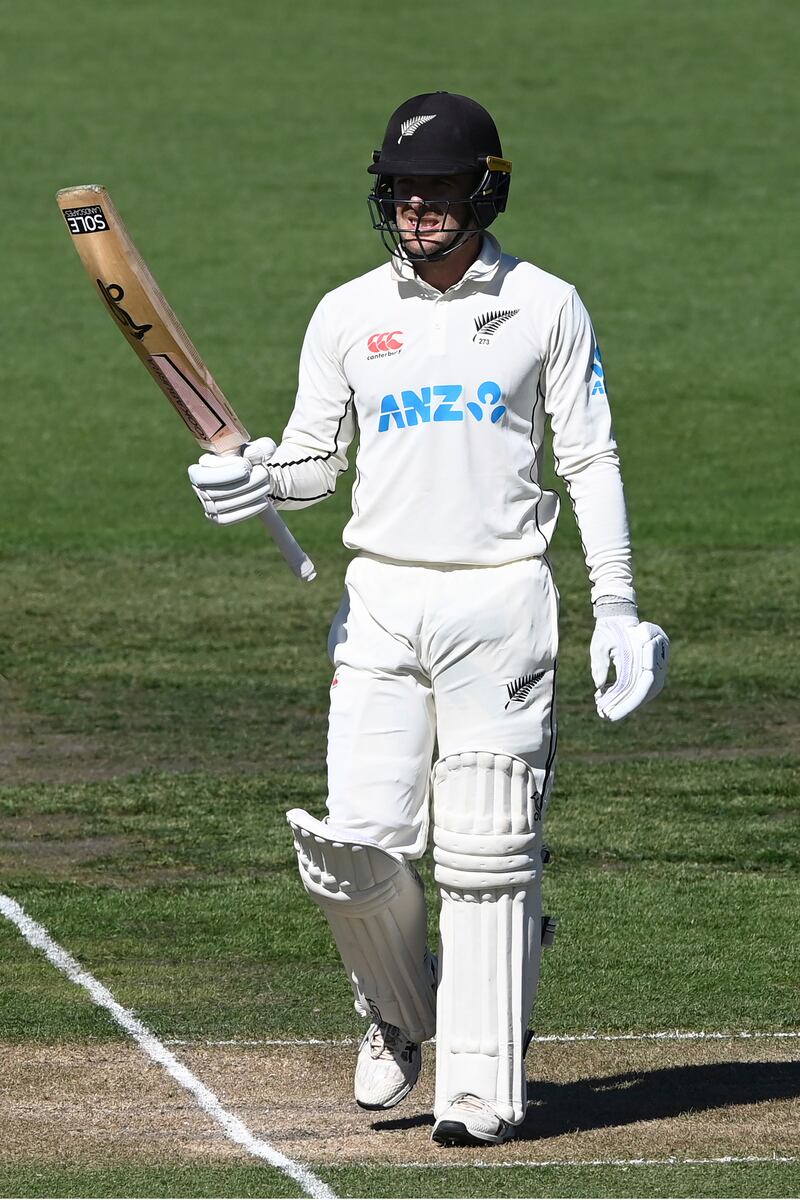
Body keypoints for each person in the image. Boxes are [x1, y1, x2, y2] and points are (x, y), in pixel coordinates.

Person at [187, 91, 669, 1147]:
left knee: (487, 851)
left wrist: (619, 608)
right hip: (381, 598)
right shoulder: (347, 314)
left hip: (499, 596)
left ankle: (479, 1088)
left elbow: (587, 458)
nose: (417, 211)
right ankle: (400, 1015)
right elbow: (317, 464)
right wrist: (256, 474)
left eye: (438, 191)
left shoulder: (545, 305)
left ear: (483, 189)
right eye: (402, 193)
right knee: (355, 848)